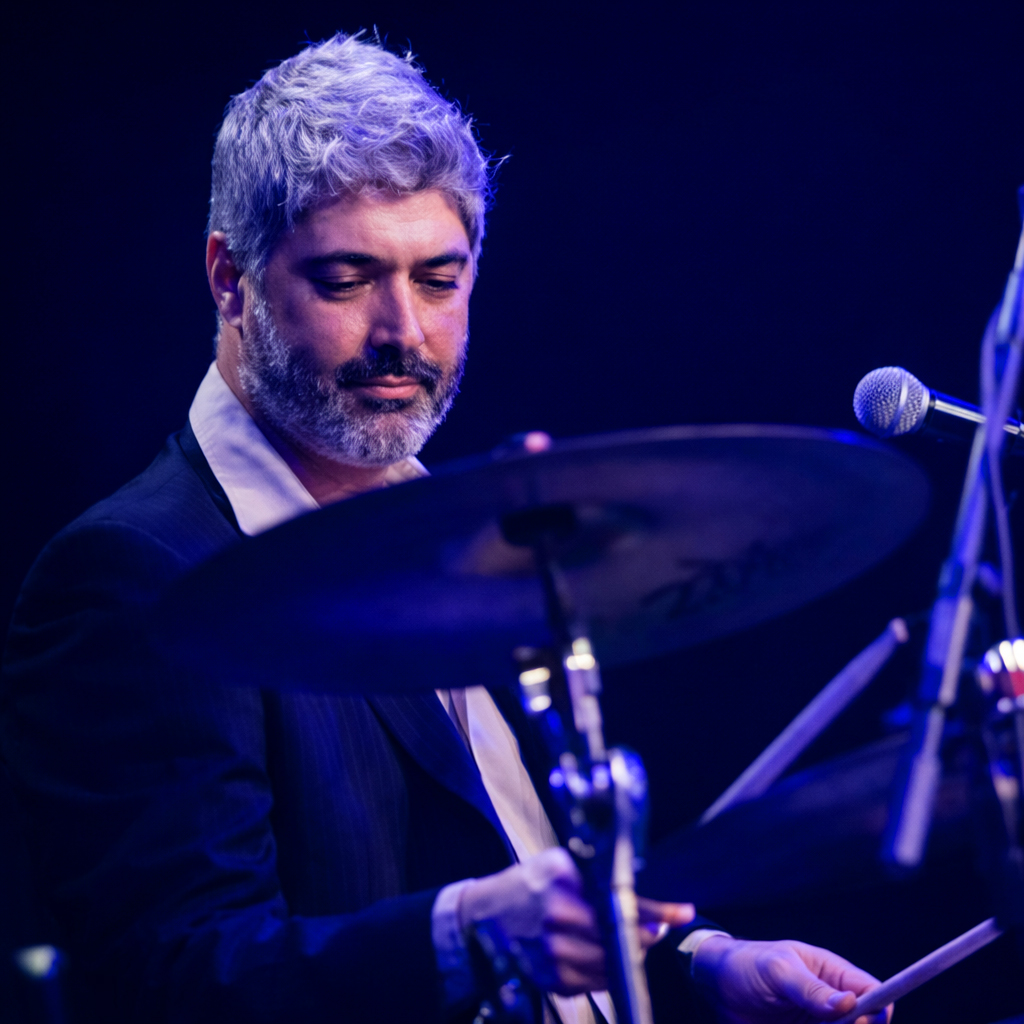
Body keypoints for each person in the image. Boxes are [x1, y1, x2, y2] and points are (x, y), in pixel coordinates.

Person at [0, 33, 892, 1024]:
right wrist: (466, 934)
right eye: (345, 279)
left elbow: (528, 870)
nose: (404, 333)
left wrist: (702, 960)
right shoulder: (134, 574)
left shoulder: (464, 533)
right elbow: (178, 976)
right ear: (229, 278)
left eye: (438, 278)